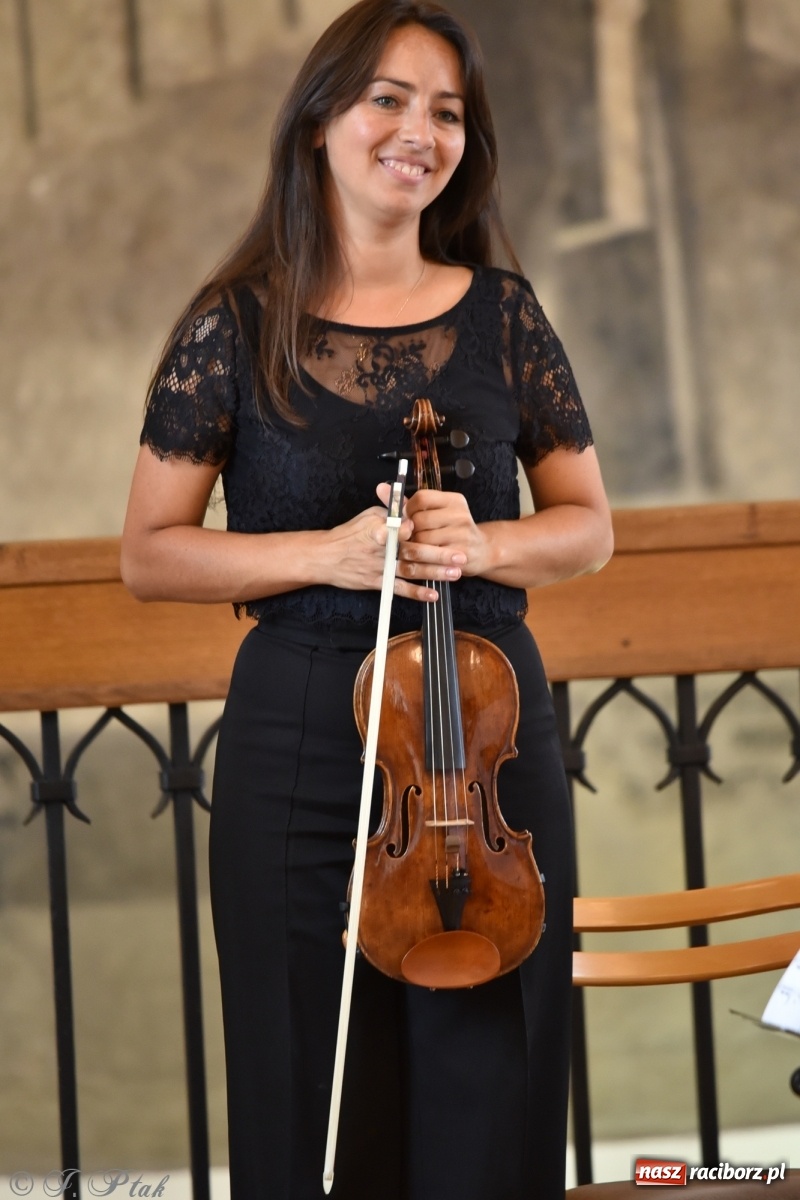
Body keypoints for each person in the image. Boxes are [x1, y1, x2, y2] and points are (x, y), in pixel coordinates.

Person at [121, 1, 613, 1196]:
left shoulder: (502, 313)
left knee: (492, 1077)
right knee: (307, 1082)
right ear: (318, 125)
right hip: (299, 739)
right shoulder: (235, 326)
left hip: (481, 742)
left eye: (445, 110)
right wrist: (323, 557)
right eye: (387, 99)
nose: (418, 130)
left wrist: (485, 542)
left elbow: (587, 529)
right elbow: (150, 553)